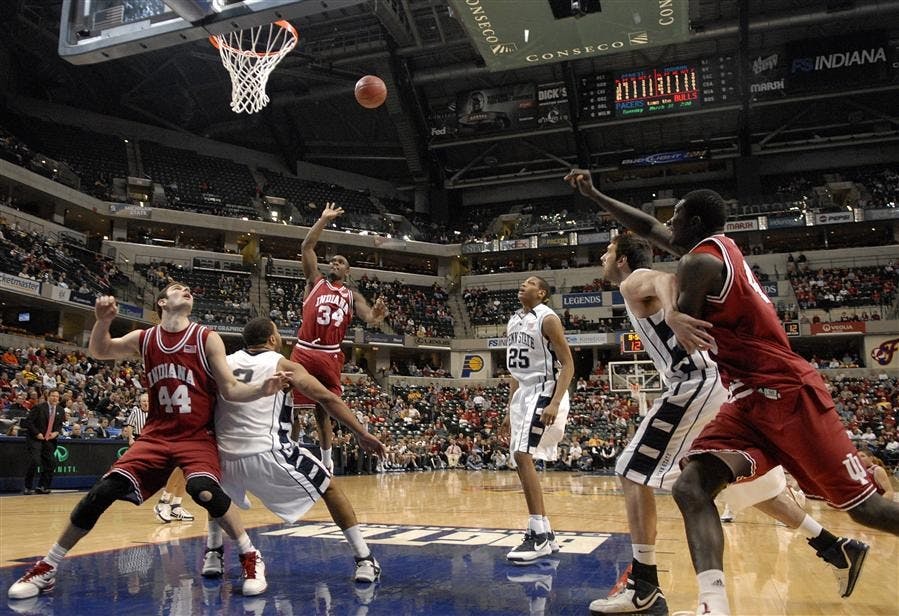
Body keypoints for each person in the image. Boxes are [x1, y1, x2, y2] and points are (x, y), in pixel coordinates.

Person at [565, 169, 899, 615]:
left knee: (866, 509)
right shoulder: (712, 250)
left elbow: (665, 278)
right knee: (692, 487)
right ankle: (714, 606)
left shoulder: (700, 262)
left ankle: (646, 586)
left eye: (677, 216)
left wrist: (676, 314)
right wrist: (594, 194)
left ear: (695, 221)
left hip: (785, 393)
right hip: (745, 400)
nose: (669, 223)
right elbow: (647, 229)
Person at [8, 285, 285, 601]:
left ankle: (250, 556)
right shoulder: (145, 338)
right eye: (176, 289)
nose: (186, 290)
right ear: (163, 302)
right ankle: (48, 566)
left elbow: (231, 388)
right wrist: (101, 321)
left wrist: (263, 389)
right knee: (101, 492)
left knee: (203, 491)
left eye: (188, 289)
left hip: (196, 435)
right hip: (156, 434)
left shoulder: (206, 338)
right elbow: (101, 350)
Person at [203, 317, 387, 584]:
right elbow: (326, 398)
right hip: (267, 452)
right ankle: (365, 558)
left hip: (224, 454)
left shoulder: (223, 362)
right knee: (331, 488)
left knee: (217, 494)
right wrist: (361, 432)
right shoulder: (283, 364)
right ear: (272, 340)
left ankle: (213, 552)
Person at [291, 202, 387, 473]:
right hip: (305, 348)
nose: (334, 263)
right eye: (332, 260)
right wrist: (323, 219)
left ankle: (326, 457)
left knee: (325, 408)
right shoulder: (315, 281)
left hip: (330, 354)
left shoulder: (352, 295)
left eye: (340, 262)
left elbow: (370, 319)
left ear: (348, 272)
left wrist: (378, 314)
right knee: (295, 406)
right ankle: (291, 449)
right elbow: (306, 248)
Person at [500, 275, 574, 564]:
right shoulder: (514, 320)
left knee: (522, 455)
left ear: (542, 293)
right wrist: (509, 410)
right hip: (523, 394)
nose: (523, 284)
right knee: (519, 458)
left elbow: (568, 364)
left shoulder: (548, 318)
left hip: (545, 390)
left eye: (530, 283)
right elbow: (514, 374)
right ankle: (545, 532)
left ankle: (537, 535)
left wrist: (555, 401)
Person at [21, 389, 63, 495]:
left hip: (49, 439)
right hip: (35, 439)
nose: (54, 398)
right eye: (52, 396)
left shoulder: (60, 410)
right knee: (35, 461)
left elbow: (59, 425)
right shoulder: (39, 407)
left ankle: (42, 486)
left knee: (51, 463)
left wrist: (56, 432)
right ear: (48, 396)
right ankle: (27, 486)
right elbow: (29, 422)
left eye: (57, 397)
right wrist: (37, 433)